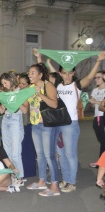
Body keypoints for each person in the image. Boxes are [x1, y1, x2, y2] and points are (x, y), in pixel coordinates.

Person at [54, 52, 105, 192]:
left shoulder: (76, 85)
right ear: (60, 73)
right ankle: (65, 178)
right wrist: (41, 59)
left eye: (70, 73)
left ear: (74, 73)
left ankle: (71, 182)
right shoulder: (58, 85)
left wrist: (98, 61)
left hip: (71, 125)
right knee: (61, 153)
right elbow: (51, 72)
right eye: (64, 73)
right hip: (58, 125)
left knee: (70, 154)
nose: (68, 75)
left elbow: (89, 77)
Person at [26, 63, 60, 196]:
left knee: (49, 155)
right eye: (29, 73)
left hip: (48, 125)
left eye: (33, 73)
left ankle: (55, 185)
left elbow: (54, 104)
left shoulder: (48, 85)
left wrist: (40, 94)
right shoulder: (30, 87)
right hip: (35, 125)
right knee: (39, 155)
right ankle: (41, 181)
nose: (30, 75)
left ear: (40, 75)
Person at [0, 72, 28, 185]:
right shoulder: (6, 93)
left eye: (5, 83)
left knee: (15, 152)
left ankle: (20, 176)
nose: (4, 85)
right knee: (7, 151)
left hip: (16, 122)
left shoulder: (21, 92)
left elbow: (25, 110)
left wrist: (15, 99)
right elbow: (1, 111)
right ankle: (13, 174)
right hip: (6, 121)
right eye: (2, 83)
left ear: (11, 81)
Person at [89, 70, 105, 167]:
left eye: (98, 77)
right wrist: (92, 102)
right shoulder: (95, 90)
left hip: (103, 116)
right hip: (97, 117)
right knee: (102, 140)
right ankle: (101, 162)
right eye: (95, 77)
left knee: (103, 141)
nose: (96, 79)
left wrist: (96, 101)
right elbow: (91, 104)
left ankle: (100, 162)